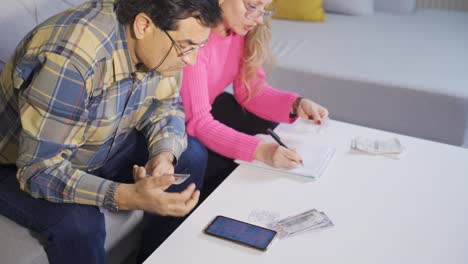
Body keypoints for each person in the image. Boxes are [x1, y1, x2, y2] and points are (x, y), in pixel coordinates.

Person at [0, 0, 222, 263]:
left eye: (198, 46)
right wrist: (126, 196)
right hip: (19, 163)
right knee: (81, 224)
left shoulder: (161, 44)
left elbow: (165, 105)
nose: (192, 60)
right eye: (186, 46)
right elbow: (39, 169)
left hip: (98, 143)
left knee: (190, 155)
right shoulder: (72, 59)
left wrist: (162, 156)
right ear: (143, 25)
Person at [180, 0, 330, 196]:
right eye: (252, 6)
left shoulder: (238, 31)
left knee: (265, 123)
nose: (259, 19)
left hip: (201, 110)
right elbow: (198, 122)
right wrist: (261, 151)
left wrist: (296, 104)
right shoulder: (195, 37)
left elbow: (249, 90)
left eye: (264, 9)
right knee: (203, 155)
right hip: (172, 124)